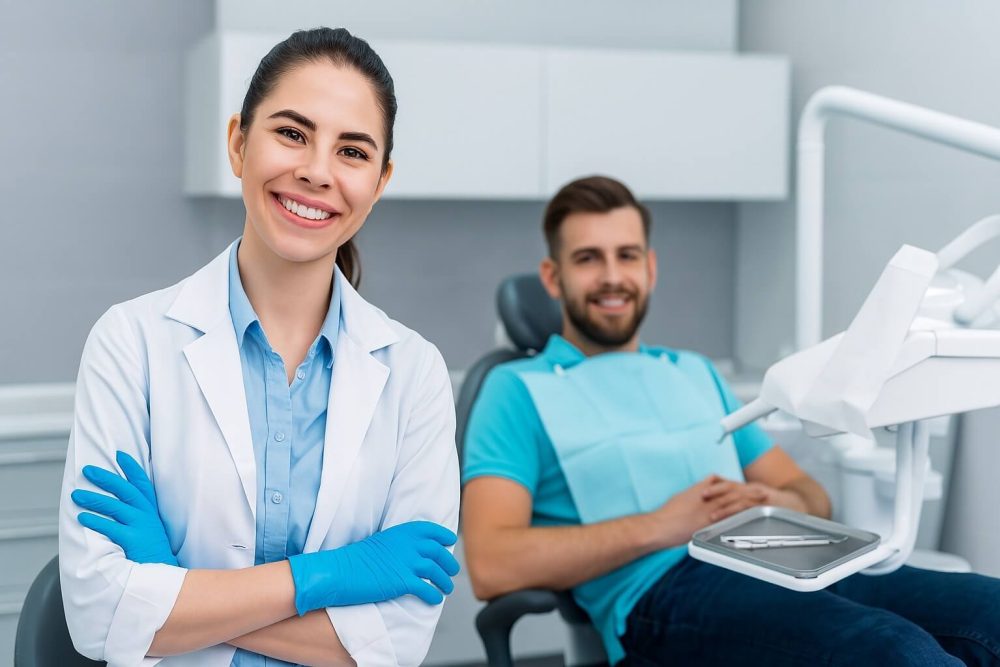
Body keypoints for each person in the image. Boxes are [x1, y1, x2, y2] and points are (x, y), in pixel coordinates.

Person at [461, 175, 1000, 666]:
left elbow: (811, 497)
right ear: (553, 278)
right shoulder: (515, 389)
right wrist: (663, 526)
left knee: (988, 610)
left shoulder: (695, 372)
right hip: (664, 591)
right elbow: (492, 563)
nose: (611, 277)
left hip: (787, 556)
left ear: (649, 268)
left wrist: (773, 505)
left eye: (626, 256)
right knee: (896, 653)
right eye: (588, 259)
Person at [59, 28, 460, 667]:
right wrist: (330, 577)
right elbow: (97, 614)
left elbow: (396, 645)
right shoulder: (130, 341)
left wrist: (173, 588)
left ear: (379, 183)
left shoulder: (415, 372)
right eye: (292, 134)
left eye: (352, 152)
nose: (317, 171)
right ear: (239, 143)